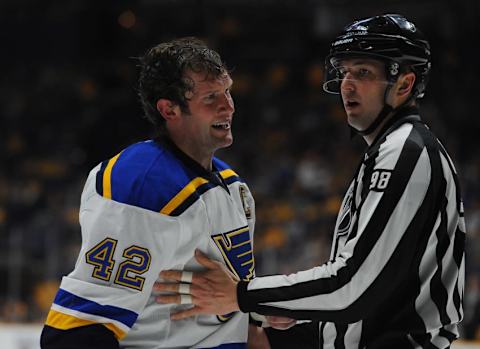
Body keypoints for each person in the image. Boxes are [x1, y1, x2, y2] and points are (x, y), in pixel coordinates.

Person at [155, 15, 466, 348]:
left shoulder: (405, 152)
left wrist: (242, 295)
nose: (347, 84)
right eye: (344, 72)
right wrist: (276, 314)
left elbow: (351, 289)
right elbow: (367, 304)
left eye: (363, 72)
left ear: (404, 85)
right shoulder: (391, 152)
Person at [40, 37, 264, 349]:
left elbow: (237, 324)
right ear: (169, 109)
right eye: (211, 97)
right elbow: (78, 332)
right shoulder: (141, 183)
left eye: (227, 90)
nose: (228, 105)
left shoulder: (233, 185)